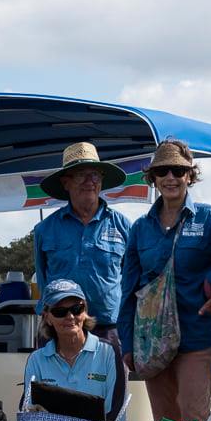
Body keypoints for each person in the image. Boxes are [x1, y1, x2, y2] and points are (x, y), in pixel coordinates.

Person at [118, 140, 211, 421]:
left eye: (177, 170)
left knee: (195, 420)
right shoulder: (140, 229)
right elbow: (128, 292)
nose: (170, 177)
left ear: (190, 175)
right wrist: (127, 344)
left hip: (194, 336)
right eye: (162, 171)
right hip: (151, 342)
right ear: (153, 178)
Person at [32, 142, 134, 348]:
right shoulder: (44, 229)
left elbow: (132, 278)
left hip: (110, 329)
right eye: (81, 175)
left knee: (113, 371)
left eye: (95, 175)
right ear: (66, 182)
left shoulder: (123, 226)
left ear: (101, 181)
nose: (90, 181)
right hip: (60, 329)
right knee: (52, 372)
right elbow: (42, 279)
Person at [23, 279, 125, 421]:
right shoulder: (36, 360)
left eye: (77, 309)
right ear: (47, 317)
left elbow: (115, 413)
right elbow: (29, 411)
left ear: (85, 312)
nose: (70, 316)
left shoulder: (109, 353)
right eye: (59, 311)